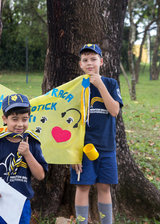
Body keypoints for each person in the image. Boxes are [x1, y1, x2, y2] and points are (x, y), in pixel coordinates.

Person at [70, 44, 123, 224]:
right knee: (83, 186)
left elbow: (114, 110)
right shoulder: (75, 87)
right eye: (85, 60)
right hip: (82, 148)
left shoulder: (110, 83)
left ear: (101, 61)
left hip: (106, 147)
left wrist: (100, 85)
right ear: (80, 64)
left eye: (93, 59)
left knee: (104, 186)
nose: (89, 63)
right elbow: (68, 122)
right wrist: (72, 153)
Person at [0, 93, 48, 224]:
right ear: (5, 119)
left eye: (24, 119)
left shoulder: (32, 143)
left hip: (21, 204)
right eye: (15, 119)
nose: (20, 124)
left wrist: (27, 154)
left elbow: (40, 175)